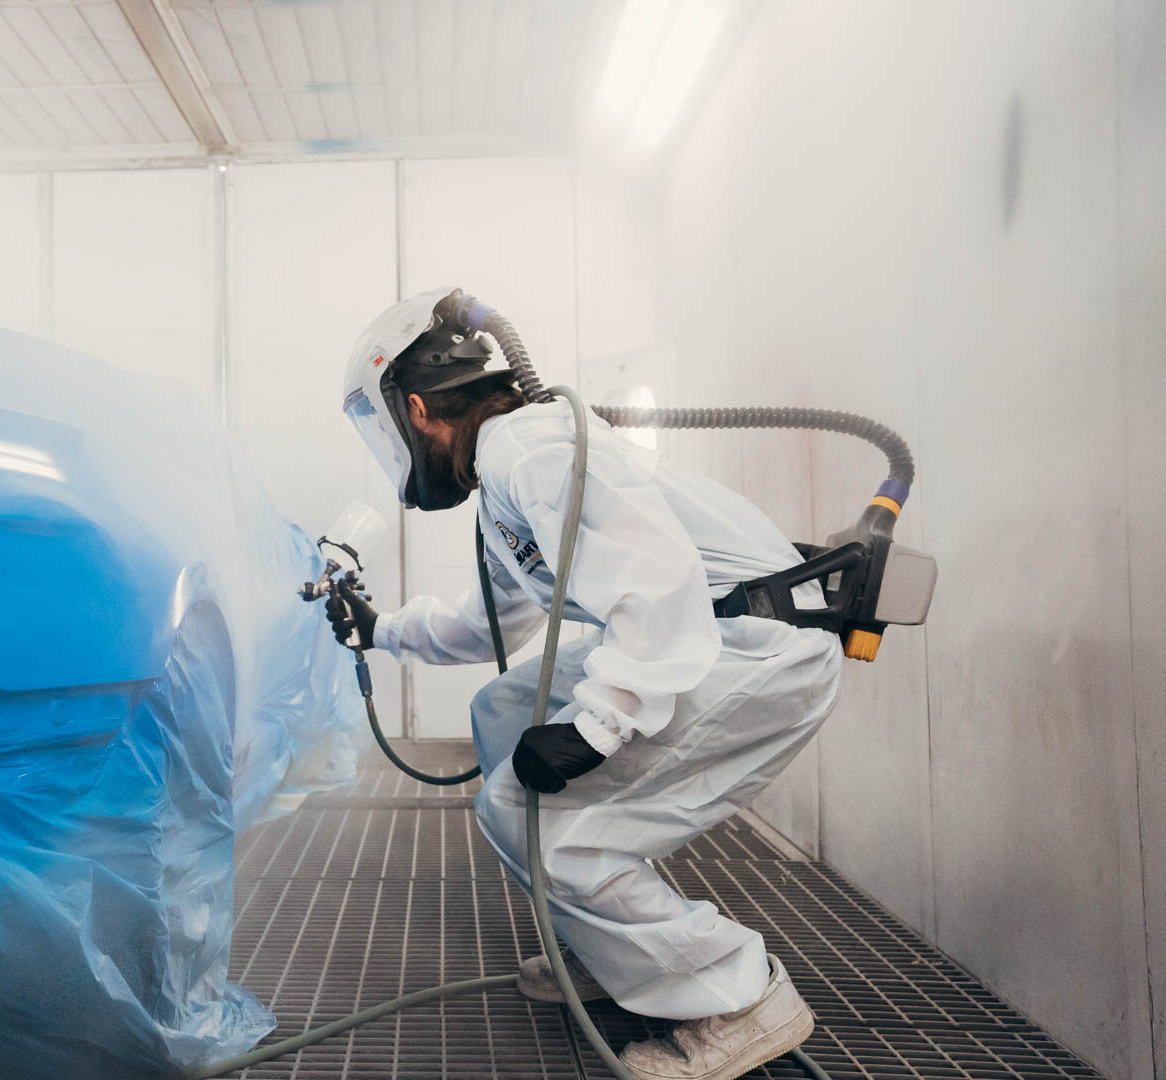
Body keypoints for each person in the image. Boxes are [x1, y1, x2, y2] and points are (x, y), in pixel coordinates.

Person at [330, 289, 843, 1080]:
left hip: (751, 648)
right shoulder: (511, 469)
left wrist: (598, 724)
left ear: (420, 411)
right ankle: (616, 951)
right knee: (503, 705)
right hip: (706, 637)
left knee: (538, 819)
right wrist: (381, 628)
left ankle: (738, 999)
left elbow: (654, 579)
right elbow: (487, 627)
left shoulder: (532, 447)